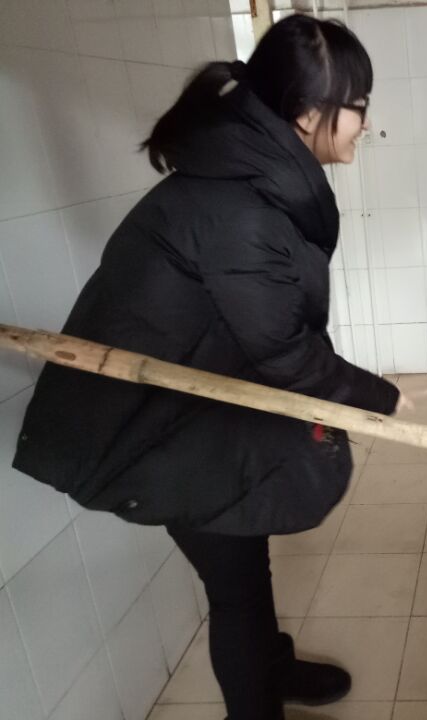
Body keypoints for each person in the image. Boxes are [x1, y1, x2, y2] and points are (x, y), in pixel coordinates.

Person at [13, 14, 406, 720]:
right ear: (308, 114)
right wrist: (381, 397)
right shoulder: (239, 209)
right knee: (236, 587)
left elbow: (266, 333)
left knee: (245, 557)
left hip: (196, 401)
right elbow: (286, 354)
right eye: (358, 106)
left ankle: (273, 668)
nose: (365, 123)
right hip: (146, 426)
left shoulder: (252, 180)